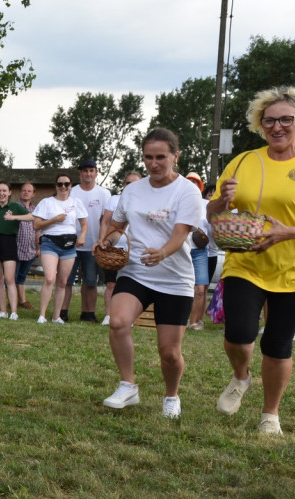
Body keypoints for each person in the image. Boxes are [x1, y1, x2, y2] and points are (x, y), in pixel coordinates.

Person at [207, 86, 295, 436]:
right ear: (260, 125)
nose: (277, 127)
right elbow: (212, 210)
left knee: (278, 346)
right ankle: (240, 377)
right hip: (244, 262)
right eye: (269, 121)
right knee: (238, 336)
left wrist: (287, 233)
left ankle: (270, 414)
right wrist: (222, 201)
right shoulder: (245, 161)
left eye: (285, 120)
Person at [97, 128, 204, 418]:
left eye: (161, 157)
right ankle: (127, 384)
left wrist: (163, 253)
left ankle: (171, 395)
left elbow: (181, 234)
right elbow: (118, 227)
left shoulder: (187, 191)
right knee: (118, 321)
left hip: (175, 278)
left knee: (169, 352)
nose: (154, 163)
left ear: (175, 156)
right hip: (136, 271)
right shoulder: (132, 190)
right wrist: (108, 239)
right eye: (148, 157)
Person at [32, 173, 88, 324]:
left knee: (63, 282)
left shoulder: (76, 202)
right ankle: (42, 315)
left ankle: (56, 316)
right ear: (55, 186)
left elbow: (84, 224)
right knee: (50, 278)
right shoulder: (46, 202)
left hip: (69, 244)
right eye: (60, 184)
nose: (63, 187)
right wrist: (54, 219)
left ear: (71, 186)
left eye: (66, 184)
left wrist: (82, 236)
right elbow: (36, 225)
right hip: (50, 242)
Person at [66, 159, 112, 322]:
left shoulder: (104, 194)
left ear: (96, 173)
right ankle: (63, 312)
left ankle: (88, 313)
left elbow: (105, 220)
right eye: (85, 171)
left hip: (93, 245)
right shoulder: (72, 192)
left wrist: (101, 241)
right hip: (70, 244)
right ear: (80, 173)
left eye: (91, 170)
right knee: (66, 281)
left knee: (91, 282)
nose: (88, 174)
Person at [100, 171, 141, 326]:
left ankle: (129, 317)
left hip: (137, 251)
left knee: (131, 286)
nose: (131, 186)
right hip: (115, 251)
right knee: (111, 284)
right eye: (128, 183)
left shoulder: (148, 200)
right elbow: (112, 225)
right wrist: (105, 242)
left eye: (135, 183)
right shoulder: (117, 200)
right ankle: (109, 315)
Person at [0, 181, 33, 319]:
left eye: (4, 191)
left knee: (9, 279)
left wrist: (14, 217)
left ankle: (13, 312)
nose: (1, 193)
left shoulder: (15, 207)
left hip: (9, 243)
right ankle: (3, 311)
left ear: (9, 192)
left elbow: (31, 217)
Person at [184, 172, 212, 330]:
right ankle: (179, 319)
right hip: (180, 249)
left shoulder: (206, 204)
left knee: (200, 289)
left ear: (200, 187)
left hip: (200, 251)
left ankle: (194, 322)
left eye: (196, 182)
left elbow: (212, 227)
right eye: (189, 182)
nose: (193, 185)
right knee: (179, 287)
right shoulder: (177, 201)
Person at [14, 182, 37, 310]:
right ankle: (12, 300)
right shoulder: (14, 207)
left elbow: (38, 229)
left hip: (30, 249)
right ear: (20, 192)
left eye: (29, 191)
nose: (26, 192)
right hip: (16, 248)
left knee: (22, 276)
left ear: (33, 194)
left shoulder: (36, 210)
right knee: (13, 277)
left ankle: (22, 301)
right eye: (24, 190)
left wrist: (38, 247)